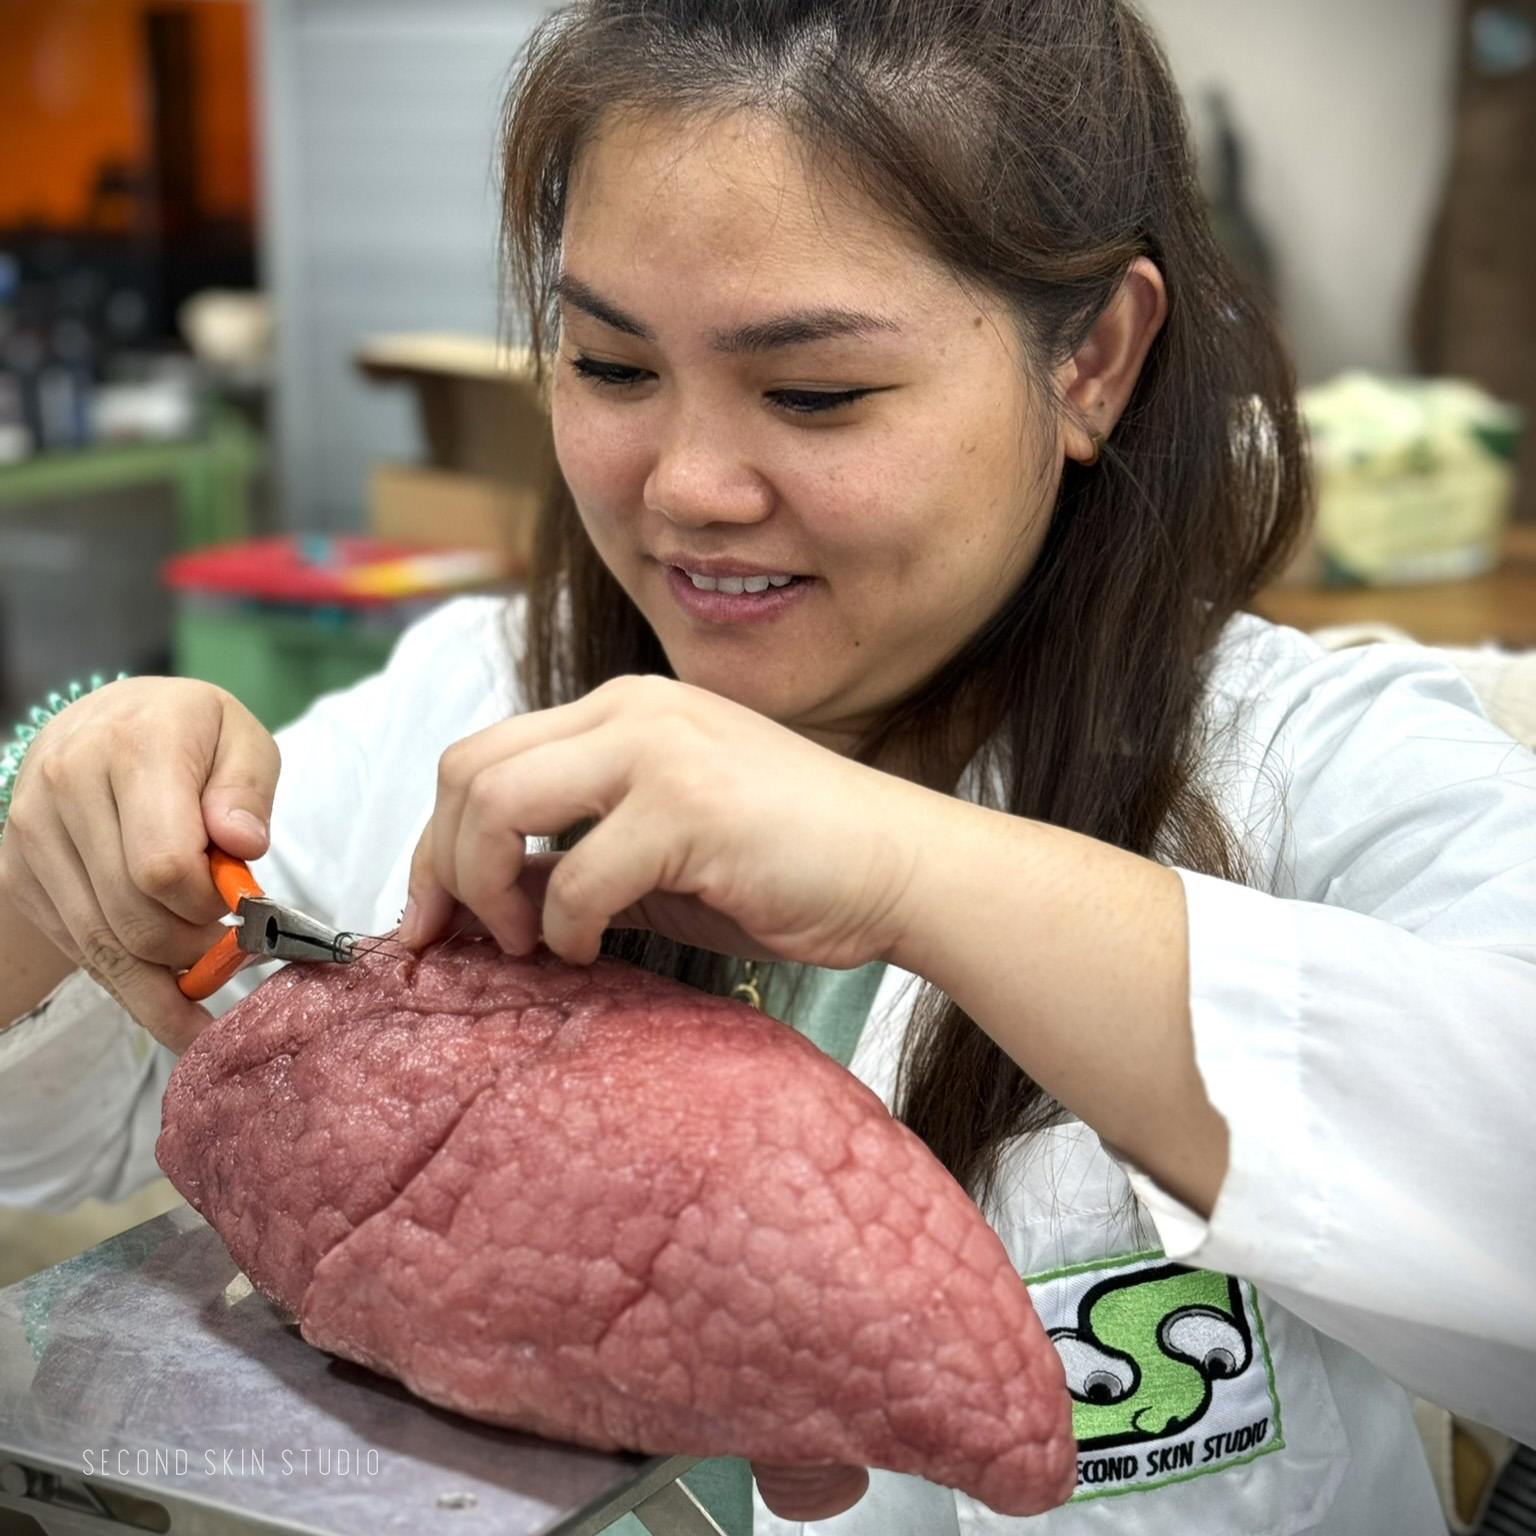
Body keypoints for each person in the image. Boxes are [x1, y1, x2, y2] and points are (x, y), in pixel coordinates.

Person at [1, 0, 1532, 1531]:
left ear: (1094, 359)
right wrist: (53, 841)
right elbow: (64, 1122)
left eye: (813, 394)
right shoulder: (474, 709)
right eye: (610, 366)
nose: (686, 487)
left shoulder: (1316, 763)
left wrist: (909, 868)